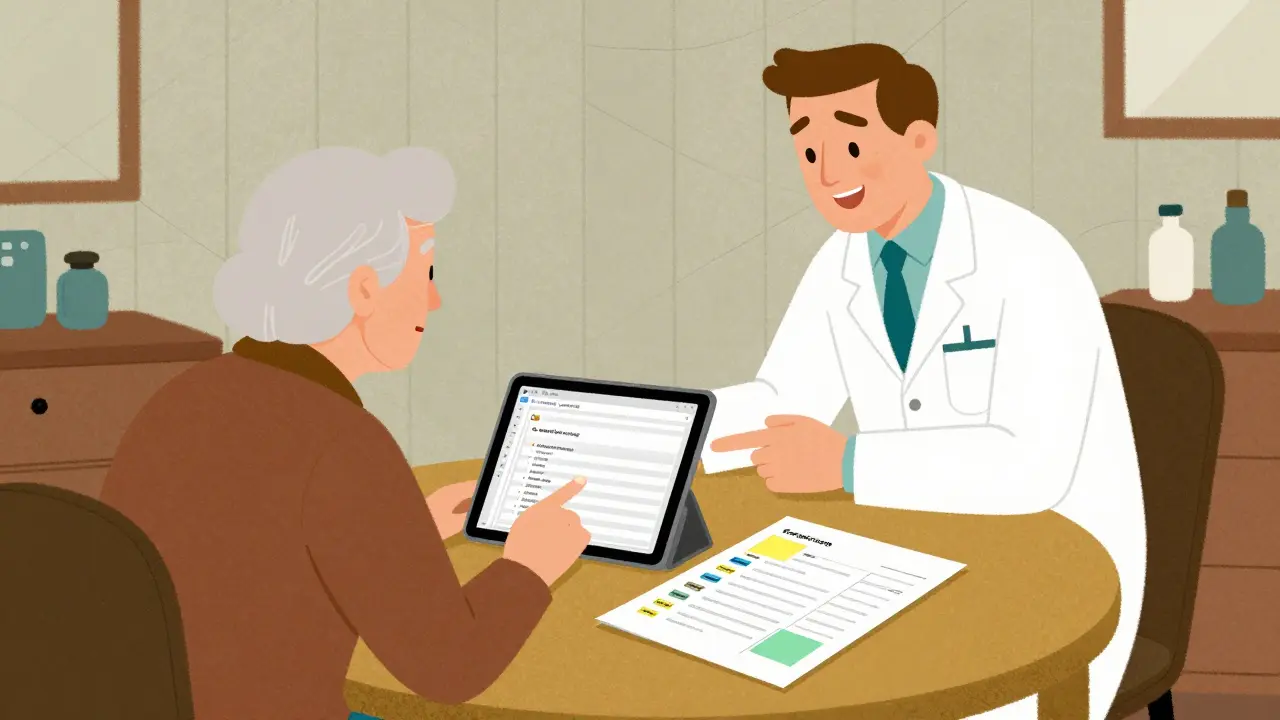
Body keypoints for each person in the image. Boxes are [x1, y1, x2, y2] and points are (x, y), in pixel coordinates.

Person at [704, 44, 1144, 720]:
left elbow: (1034, 466)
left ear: (919, 139)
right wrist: (659, 435)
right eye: (810, 155)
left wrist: (848, 461)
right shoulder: (844, 257)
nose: (828, 177)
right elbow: (782, 399)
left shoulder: (1029, 256)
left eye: (850, 150)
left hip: (1057, 580)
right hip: (914, 552)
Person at [100, 147, 592, 720]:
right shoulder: (342, 442)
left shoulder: (193, 394)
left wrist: (397, 530)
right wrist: (529, 566)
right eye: (425, 272)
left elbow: (247, 551)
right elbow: (453, 667)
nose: (434, 299)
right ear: (363, 289)